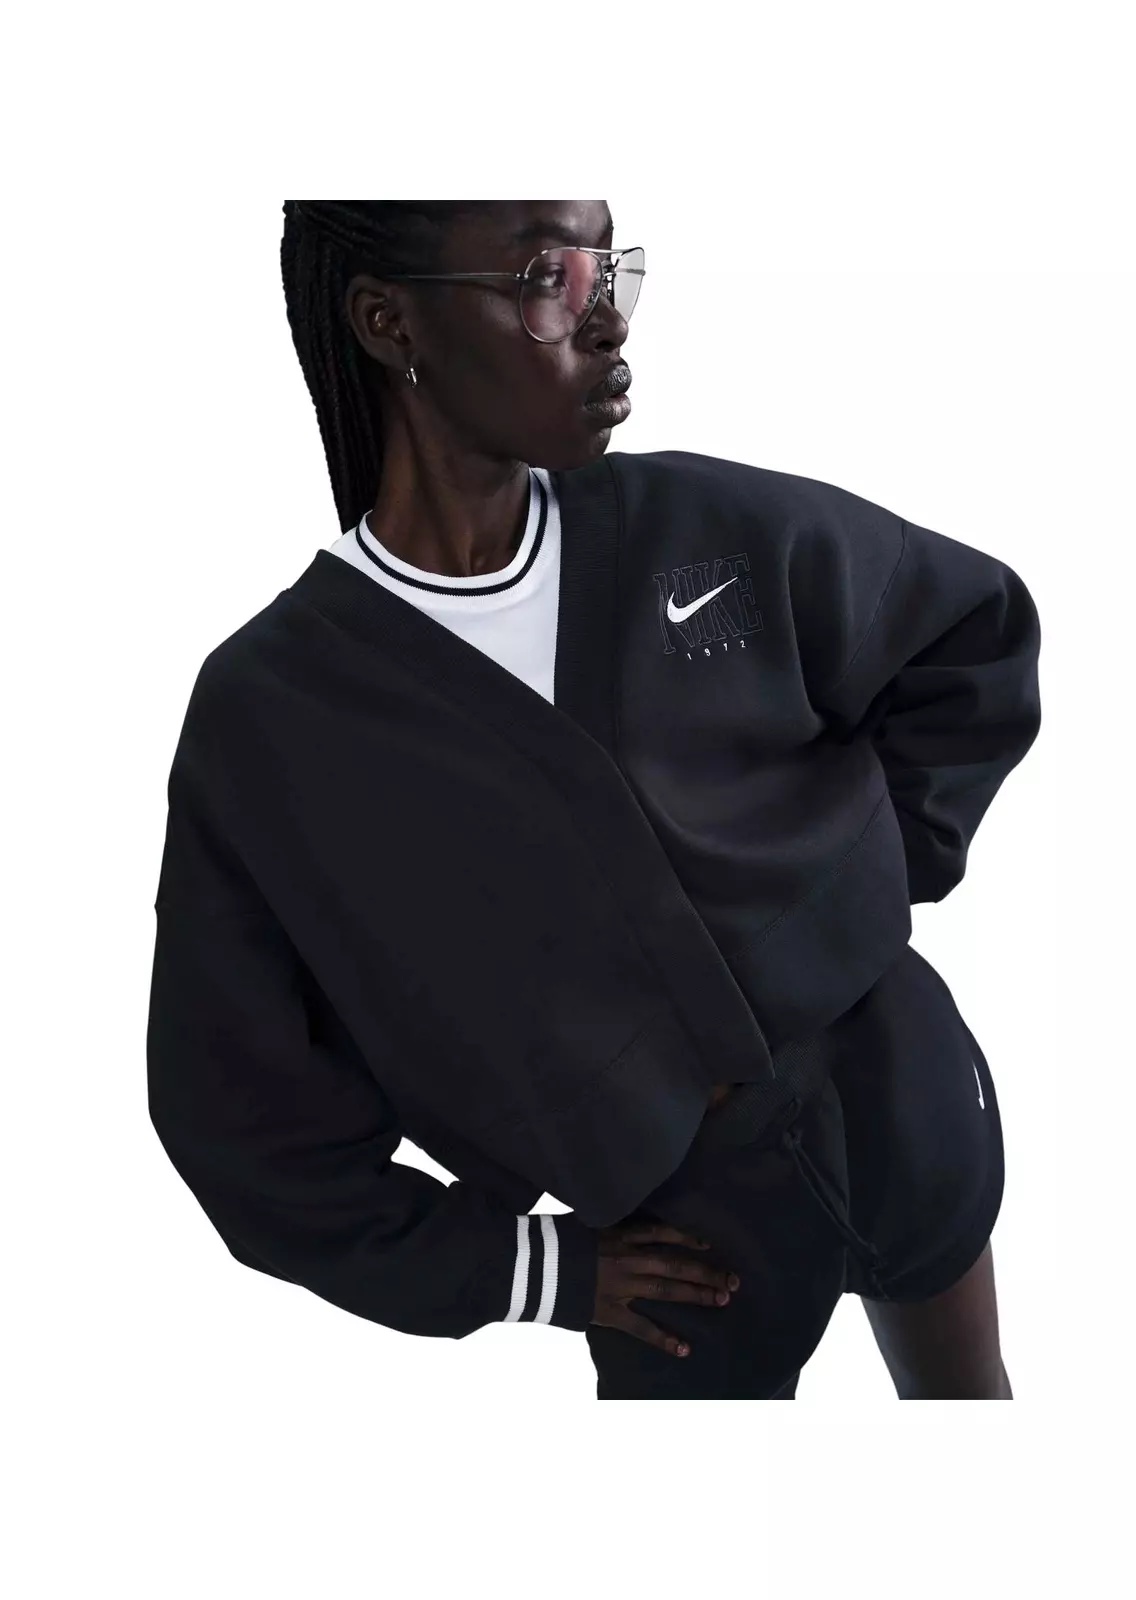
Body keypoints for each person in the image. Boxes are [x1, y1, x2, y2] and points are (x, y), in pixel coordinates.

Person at [147, 199, 1037, 1399]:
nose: (606, 317)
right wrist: (530, 1269)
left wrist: (859, 898)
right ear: (386, 321)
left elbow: (967, 636)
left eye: (608, 265)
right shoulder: (275, 717)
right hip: (681, 1254)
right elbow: (237, 1117)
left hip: (912, 1104)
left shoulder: (707, 526)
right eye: (544, 277)